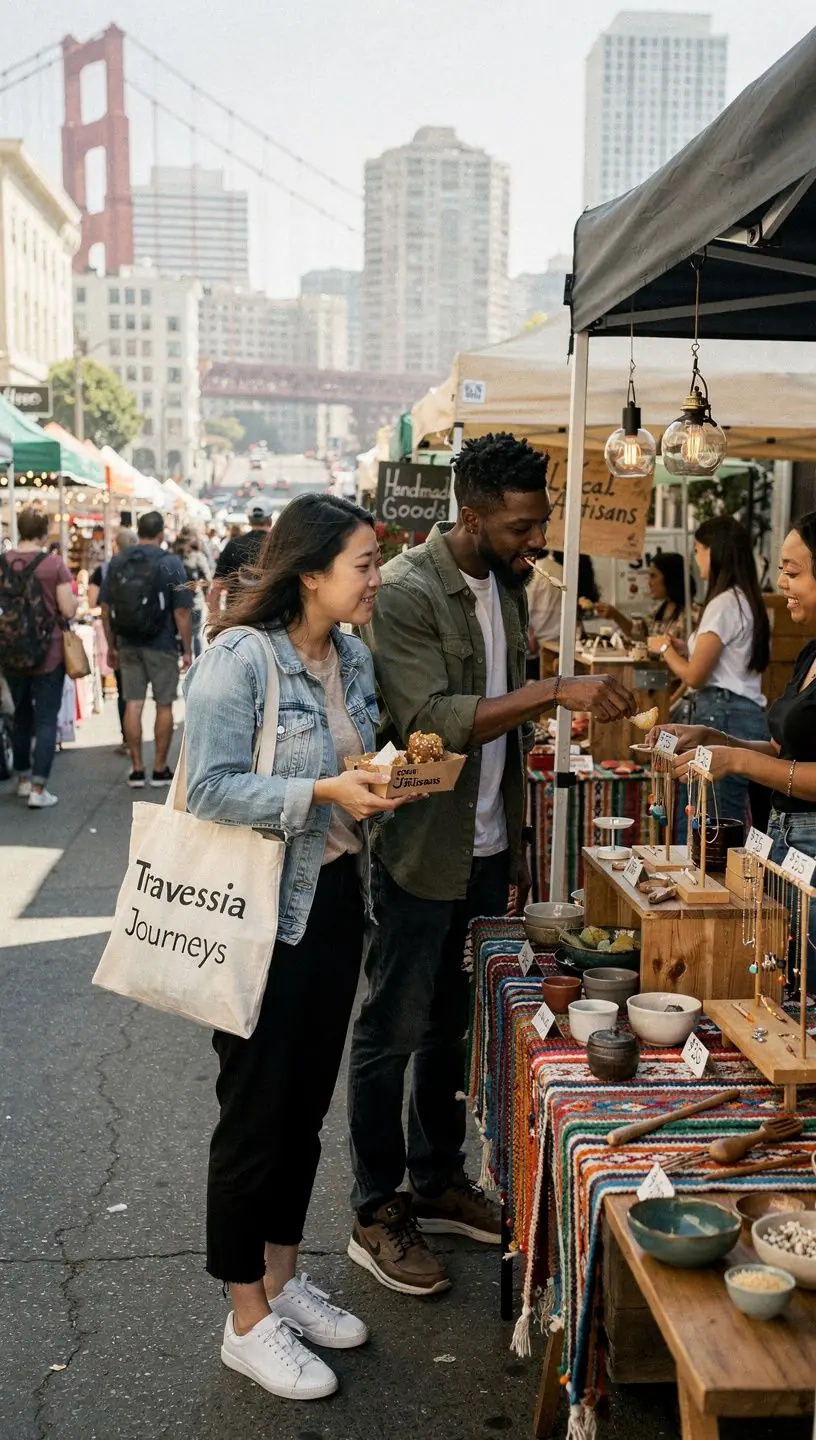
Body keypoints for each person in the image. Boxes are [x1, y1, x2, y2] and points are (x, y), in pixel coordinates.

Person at [346, 431, 637, 1296]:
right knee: (391, 1027)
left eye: (537, 523)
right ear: (469, 515)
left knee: (451, 1022)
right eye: (519, 527)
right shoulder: (405, 592)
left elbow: (502, 725)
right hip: (419, 844)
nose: (533, 541)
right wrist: (554, 691)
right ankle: (375, 1207)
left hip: (483, 842)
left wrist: (509, 841)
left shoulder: (509, 586)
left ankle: (435, 1180)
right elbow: (432, 723)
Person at [183, 494, 417, 1401]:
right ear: (311, 571)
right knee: (254, 1114)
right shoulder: (239, 659)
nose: (376, 578)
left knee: (304, 1106)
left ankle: (282, 1278)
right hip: (254, 916)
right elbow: (207, 787)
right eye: (364, 562)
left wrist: (388, 778)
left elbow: (361, 755)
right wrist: (323, 793)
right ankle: (246, 1318)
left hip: (331, 908)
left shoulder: (347, 653)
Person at [656, 512, 816, 992]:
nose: (781, 582)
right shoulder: (810, 654)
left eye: (793, 571)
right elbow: (780, 749)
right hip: (781, 839)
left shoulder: (728, 604)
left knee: (807, 991)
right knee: (781, 983)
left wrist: (740, 762)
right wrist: (715, 737)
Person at [652, 516, 770, 820]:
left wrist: (663, 648)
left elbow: (695, 675)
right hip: (741, 713)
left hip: (723, 713)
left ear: (713, 551)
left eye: (697, 549)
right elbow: (728, 658)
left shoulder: (723, 603)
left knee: (710, 820)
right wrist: (685, 646)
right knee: (718, 816)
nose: (695, 557)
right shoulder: (744, 599)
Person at [100, 511, 193, 789]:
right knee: (164, 704)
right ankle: (160, 768)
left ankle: (137, 768)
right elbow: (182, 611)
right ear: (161, 533)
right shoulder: (170, 562)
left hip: (128, 642)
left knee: (133, 703)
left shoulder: (118, 560)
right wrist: (187, 649)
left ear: (138, 531)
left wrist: (111, 644)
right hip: (162, 643)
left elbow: (105, 609)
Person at [0, 507, 76, 809]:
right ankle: (38, 787)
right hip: (49, 653)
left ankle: (21, 778)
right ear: (44, 532)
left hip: (10, 651)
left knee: (20, 715)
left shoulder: (3, 562)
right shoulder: (54, 564)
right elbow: (68, 610)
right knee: (46, 720)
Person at [89, 528, 137, 754]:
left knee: (124, 692)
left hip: (119, 637)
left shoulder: (106, 570)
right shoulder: (149, 566)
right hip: (146, 638)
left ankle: (128, 741)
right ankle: (142, 748)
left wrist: (110, 643)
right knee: (138, 695)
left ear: (116, 546)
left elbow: (101, 607)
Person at [597, 552, 697, 642]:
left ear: (670, 577)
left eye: (653, 576)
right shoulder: (660, 608)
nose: (649, 582)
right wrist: (615, 614)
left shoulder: (692, 615)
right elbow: (638, 633)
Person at [209, 498, 274, 614]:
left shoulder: (234, 545)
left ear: (249, 519)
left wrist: (215, 622)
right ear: (270, 519)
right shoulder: (279, 544)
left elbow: (216, 588)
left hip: (237, 616)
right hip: (271, 617)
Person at [172, 526, 213, 657]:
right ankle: (194, 662)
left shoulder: (173, 557)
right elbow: (208, 580)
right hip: (192, 601)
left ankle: (188, 658)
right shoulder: (197, 557)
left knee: (187, 633)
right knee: (195, 634)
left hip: (182, 601)